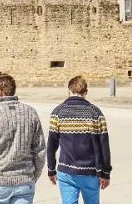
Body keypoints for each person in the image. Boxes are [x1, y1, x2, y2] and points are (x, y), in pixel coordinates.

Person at [0, 73, 46, 204]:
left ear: (0, 92)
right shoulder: (31, 113)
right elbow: (40, 152)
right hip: (25, 182)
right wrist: (32, 177)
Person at [46, 76, 111, 204]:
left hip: (66, 172)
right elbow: (104, 146)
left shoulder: (58, 112)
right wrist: (106, 173)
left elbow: (51, 145)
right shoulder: (96, 113)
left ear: (69, 90)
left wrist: (51, 169)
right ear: (86, 92)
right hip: (90, 172)